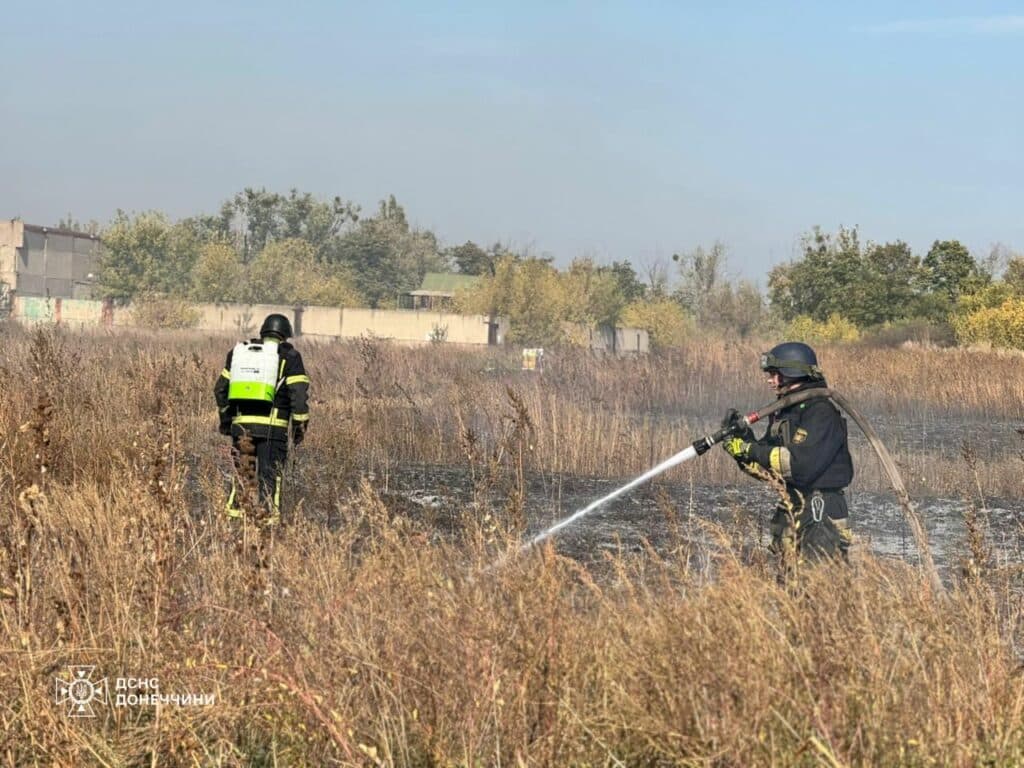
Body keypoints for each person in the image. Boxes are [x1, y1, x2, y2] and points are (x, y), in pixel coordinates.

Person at [721, 341, 853, 563]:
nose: (770, 380)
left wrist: (750, 449)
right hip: (793, 504)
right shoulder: (786, 413)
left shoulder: (820, 412)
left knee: (817, 587)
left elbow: (800, 467)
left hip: (820, 510)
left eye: (775, 374)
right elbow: (768, 467)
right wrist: (741, 447)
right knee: (788, 586)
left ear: (792, 374)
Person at [214, 313, 310, 524]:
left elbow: (220, 388)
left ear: (263, 331)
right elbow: (299, 395)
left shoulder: (240, 353)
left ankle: (234, 519)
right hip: (273, 429)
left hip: (241, 427)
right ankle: (269, 521)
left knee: (242, 473)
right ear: (285, 335)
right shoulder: (290, 357)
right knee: (270, 475)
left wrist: (227, 422)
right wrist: (299, 429)